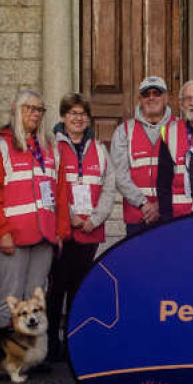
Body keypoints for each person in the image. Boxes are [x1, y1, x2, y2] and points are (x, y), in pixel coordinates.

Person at [0, 90, 58, 327]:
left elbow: (57, 192)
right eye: (29, 108)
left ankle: (31, 356)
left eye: (39, 109)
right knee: (12, 299)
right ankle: (10, 357)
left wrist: (57, 231)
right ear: (16, 110)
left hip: (43, 235)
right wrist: (2, 231)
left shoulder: (48, 146)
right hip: (13, 235)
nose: (35, 114)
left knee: (36, 299)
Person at [49, 93, 116, 361]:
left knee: (79, 289)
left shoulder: (99, 149)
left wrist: (94, 219)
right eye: (72, 113)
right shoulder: (52, 148)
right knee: (57, 288)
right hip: (64, 231)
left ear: (88, 118)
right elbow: (49, 188)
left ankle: (73, 341)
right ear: (63, 117)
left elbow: (109, 188)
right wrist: (72, 216)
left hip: (90, 231)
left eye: (82, 114)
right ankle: (51, 343)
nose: (78, 118)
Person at [110, 76, 172, 236]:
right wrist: (143, 204)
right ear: (140, 99)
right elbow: (119, 175)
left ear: (165, 97)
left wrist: (160, 205)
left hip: (170, 215)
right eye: (146, 94)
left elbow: (184, 174)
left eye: (157, 93)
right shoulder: (124, 131)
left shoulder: (178, 128)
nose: (151, 97)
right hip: (137, 216)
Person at [156, 80, 193, 220]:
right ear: (181, 105)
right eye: (187, 99)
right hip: (180, 218)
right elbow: (163, 183)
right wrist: (167, 220)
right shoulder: (169, 133)